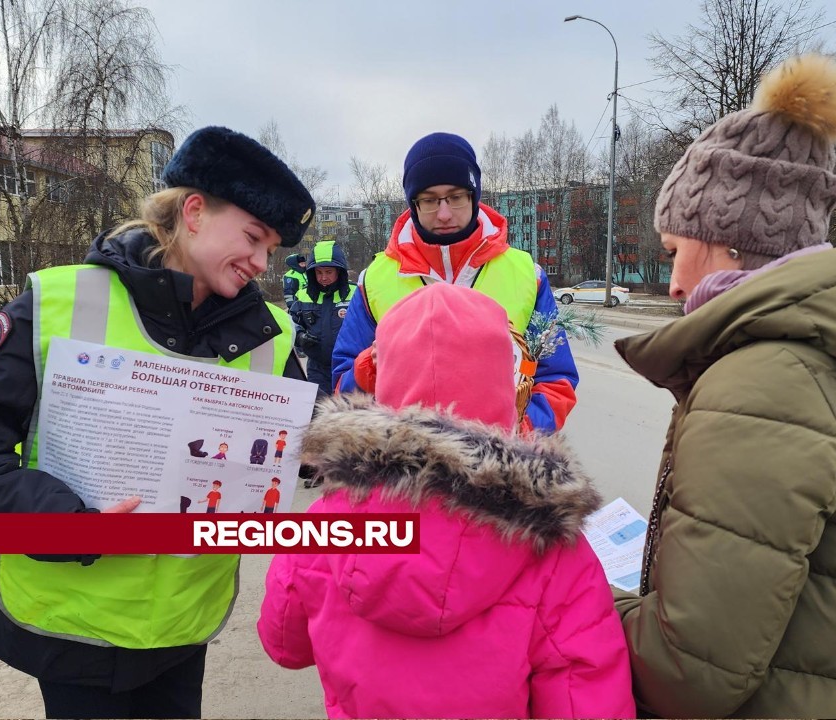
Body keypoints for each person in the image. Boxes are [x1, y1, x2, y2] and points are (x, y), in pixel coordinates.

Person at [0, 125, 315, 719]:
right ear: (194, 212)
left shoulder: (268, 334)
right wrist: (66, 523)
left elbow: (311, 443)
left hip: (183, 627)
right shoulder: (57, 303)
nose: (262, 262)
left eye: (273, 248)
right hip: (73, 629)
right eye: (252, 237)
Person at [611, 55, 836, 718]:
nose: (676, 283)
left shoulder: (764, 382)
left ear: (729, 241)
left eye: (673, 251)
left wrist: (581, 591)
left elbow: (689, 673)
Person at [259, 283, 634, 719]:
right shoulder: (549, 541)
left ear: (384, 378)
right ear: (503, 381)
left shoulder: (325, 520)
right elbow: (582, 697)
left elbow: (283, 643)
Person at [331, 132, 578, 434]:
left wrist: (518, 437)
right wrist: (370, 365)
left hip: (499, 466)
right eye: (430, 200)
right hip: (406, 467)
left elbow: (557, 380)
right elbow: (342, 384)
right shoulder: (376, 280)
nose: (445, 213)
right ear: (413, 204)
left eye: (456, 197)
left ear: (473, 196)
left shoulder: (527, 274)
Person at [290, 240, 356, 397]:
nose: (323, 277)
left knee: (349, 412)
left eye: (328, 272)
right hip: (317, 367)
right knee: (319, 411)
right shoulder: (303, 295)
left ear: (339, 271)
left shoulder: (355, 293)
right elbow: (291, 322)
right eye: (319, 273)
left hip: (349, 365)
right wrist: (300, 337)